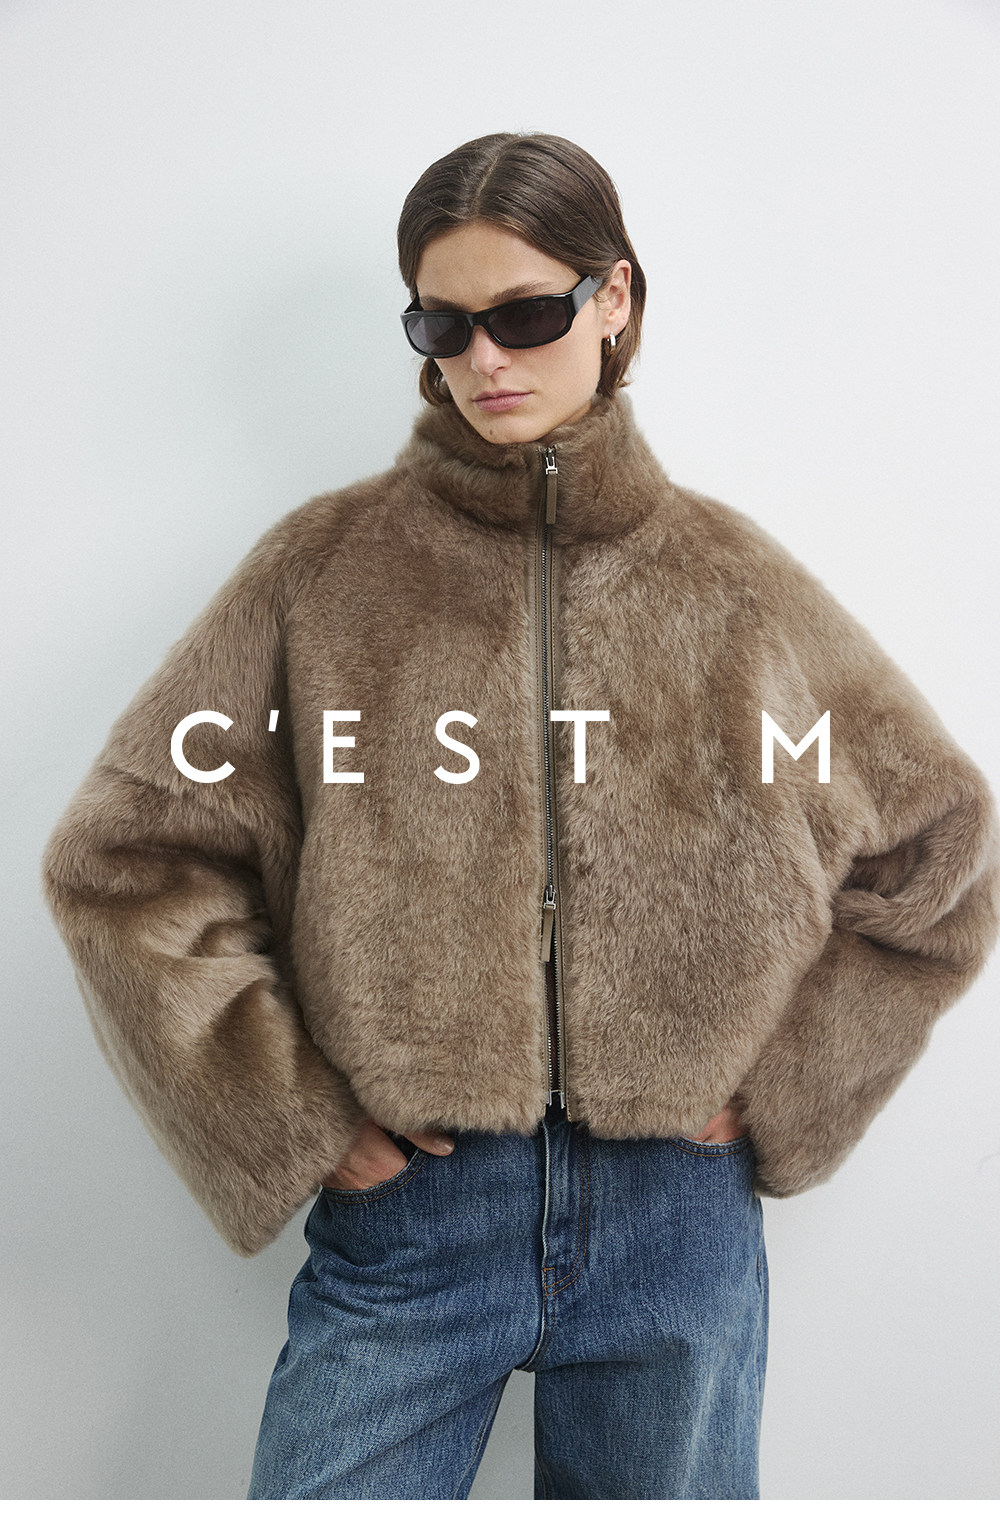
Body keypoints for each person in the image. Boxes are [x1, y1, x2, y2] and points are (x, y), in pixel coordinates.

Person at [41, 132, 1000, 1501]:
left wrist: (786, 1086)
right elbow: (126, 862)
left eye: (527, 314)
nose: (483, 359)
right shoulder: (323, 574)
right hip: (416, 1220)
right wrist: (292, 1115)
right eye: (442, 324)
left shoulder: (734, 588)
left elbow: (942, 852)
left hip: (675, 1224)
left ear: (616, 299)